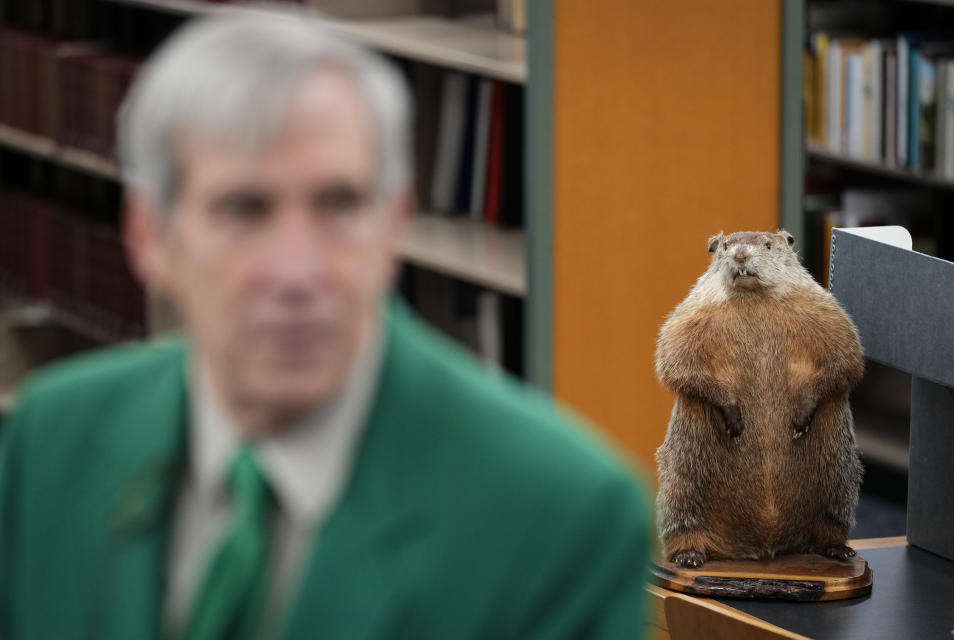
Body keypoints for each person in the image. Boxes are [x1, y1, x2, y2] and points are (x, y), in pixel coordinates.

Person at [0, 10, 652, 640]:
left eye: (339, 205)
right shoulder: (52, 441)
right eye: (244, 210)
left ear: (395, 222)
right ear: (150, 237)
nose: (297, 273)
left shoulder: (559, 519)